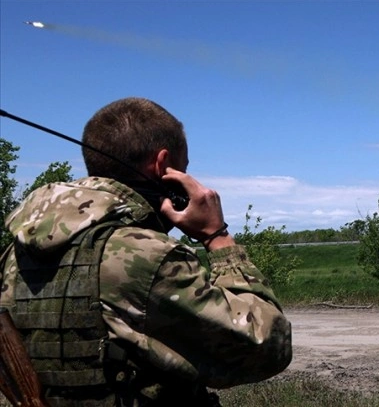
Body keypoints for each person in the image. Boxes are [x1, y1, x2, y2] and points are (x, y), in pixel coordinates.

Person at [0, 97, 292, 406]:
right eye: (186, 167)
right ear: (164, 165)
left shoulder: (14, 255)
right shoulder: (146, 256)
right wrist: (218, 239)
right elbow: (266, 348)